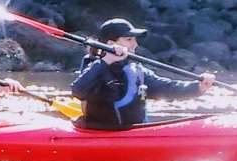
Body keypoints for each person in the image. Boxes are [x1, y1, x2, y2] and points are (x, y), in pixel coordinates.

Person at [70, 18, 214, 130]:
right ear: (110, 43)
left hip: (134, 132)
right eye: (129, 40)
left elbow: (165, 88)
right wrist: (107, 60)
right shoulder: (96, 67)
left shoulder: (135, 69)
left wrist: (198, 87)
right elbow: (78, 91)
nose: (135, 44)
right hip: (104, 133)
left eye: (134, 39)